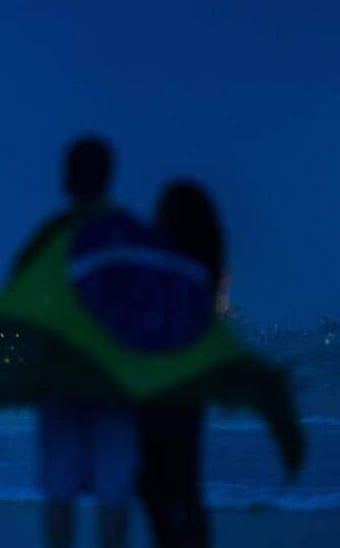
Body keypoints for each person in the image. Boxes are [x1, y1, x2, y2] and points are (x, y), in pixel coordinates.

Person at [28, 136, 136, 548]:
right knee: (114, 494)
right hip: (113, 381)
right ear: (110, 178)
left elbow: (22, 311)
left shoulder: (48, 238)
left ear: (65, 180)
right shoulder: (129, 235)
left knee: (59, 492)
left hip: (59, 384)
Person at [137, 180, 223, 547]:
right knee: (186, 485)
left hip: (154, 389)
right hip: (190, 388)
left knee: (155, 487)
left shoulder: (156, 267)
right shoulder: (205, 269)